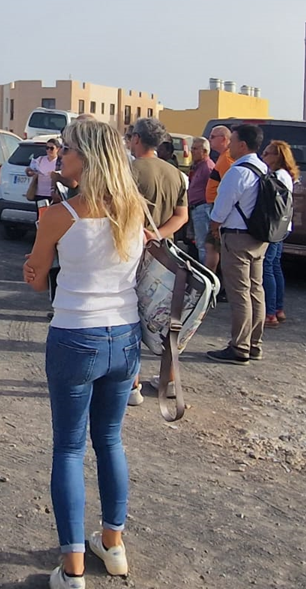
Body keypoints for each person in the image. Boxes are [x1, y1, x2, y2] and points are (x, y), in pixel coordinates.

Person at [22, 119, 146, 589]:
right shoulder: (135, 209)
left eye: (68, 150)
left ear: (87, 159)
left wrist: (32, 268)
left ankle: (72, 568)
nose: (62, 156)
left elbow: (36, 281)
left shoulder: (59, 215)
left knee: (70, 448)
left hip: (76, 334)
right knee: (110, 440)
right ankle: (113, 545)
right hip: (125, 335)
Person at [124, 118, 188, 405]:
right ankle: (170, 380)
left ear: (137, 138)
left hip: (134, 252)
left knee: (131, 315)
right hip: (165, 253)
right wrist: (158, 235)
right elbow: (181, 215)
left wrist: (145, 235)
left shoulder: (129, 170)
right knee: (166, 317)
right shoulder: (175, 173)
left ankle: (132, 385)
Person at [206, 123, 270, 365]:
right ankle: (254, 344)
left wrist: (214, 226)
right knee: (256, 289)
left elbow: (221, 208)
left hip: (237, 236)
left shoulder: (238, 171)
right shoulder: (262, 168)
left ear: (242, 144)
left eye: (232, 140)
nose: (229, 145)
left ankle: (239, 347)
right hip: (258, 236)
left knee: (239, 292)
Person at [260, 140, 298, 327]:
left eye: (267, 154)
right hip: (283, 226)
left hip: (274, 227)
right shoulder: (285, 176)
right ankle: (278, 308)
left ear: (277, 156)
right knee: (274, 265)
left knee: (267, 266)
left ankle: (270, 312)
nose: (263, 156)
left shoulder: (277, 176)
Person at [203, 125, 233, 289]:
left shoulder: (228, 159)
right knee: (211, 247)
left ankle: (214, 284)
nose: (210, 140)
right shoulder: (223, 157)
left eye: (213, 137)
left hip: (218, 207)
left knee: (213, 247)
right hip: (214, 206)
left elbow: (228, 188)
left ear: (223, 139)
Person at [187, 136, 215, 263]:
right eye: (192, 148)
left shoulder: (208, 168)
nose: (192, 151)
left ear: (205, 151)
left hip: (203, 209)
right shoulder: (198, 166)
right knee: (199, 244)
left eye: (195, 149)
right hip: (196, 209)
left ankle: (205, 275)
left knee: (203, 246)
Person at [27, 138, 63, 206]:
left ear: (57, 149)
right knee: (40, 215)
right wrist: (30, 171)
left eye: (51, 148)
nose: (49, 150)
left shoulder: (59, 162)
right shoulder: (40, 159)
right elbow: (30, 170)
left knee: (51, 215)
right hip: (39, 192)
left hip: (52, 194)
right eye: (47, 148)